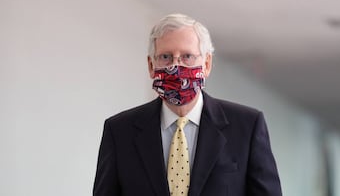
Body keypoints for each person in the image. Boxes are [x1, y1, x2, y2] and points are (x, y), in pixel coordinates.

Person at [93, 13, 282, 196]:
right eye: (166, 57)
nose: (176, 67)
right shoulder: (119, 131)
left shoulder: (247, 127)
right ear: (151, 66)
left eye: (188, 57)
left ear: (206, 64)